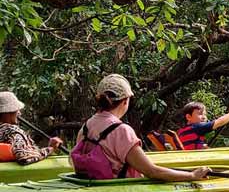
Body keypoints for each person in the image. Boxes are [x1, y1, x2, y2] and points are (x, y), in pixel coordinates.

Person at [75, 74, 209, 181]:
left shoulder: (86, 127)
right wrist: (192, 176)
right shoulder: (122, 131)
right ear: (125, 100)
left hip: (94, 186)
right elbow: (151, 171)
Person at [0, 92, 64, 165]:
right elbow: (24, 157)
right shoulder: (12, 131)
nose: (19, 113)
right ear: (8, 113)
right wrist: (51, 148)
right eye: (16, 110)